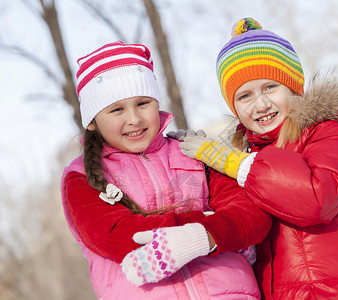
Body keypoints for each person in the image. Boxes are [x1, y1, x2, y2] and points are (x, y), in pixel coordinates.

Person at [141, 18, 338, 299]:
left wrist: (234, 164)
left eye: (269, 88)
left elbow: (317, 199)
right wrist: (201, 167)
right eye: (244, 96)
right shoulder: (249, 155)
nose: (260, 105)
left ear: (292, 86)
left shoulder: (332, 131)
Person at [61, 41, 271, 299]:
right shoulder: (82, 178)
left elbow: (250, 216)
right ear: (92, 120)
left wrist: (201, 237)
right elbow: (118, 236)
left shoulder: (194, 152)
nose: (135, 119)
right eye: (117, 110)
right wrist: (215, 229)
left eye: (143, 103)